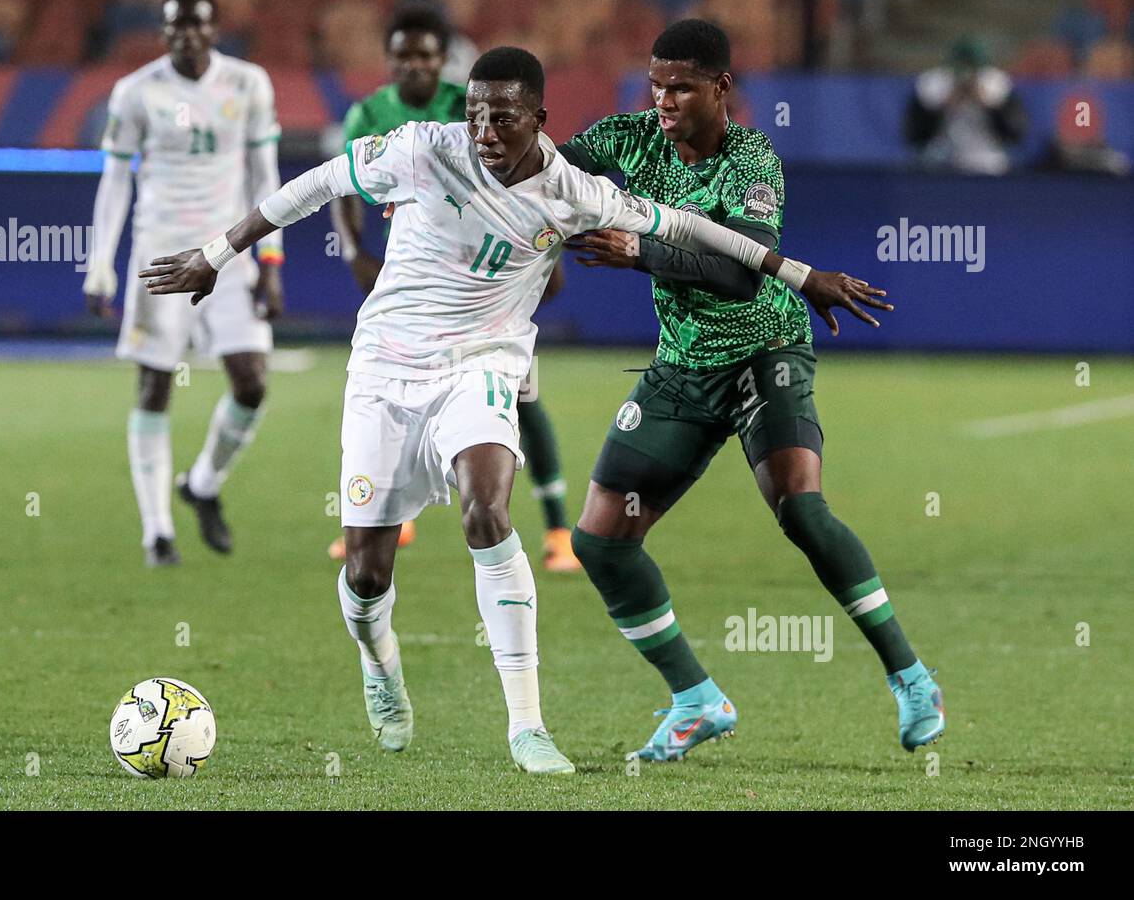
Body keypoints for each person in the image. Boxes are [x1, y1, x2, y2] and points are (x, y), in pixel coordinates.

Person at [139, 46, 862, 772]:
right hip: (387, 368)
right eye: (477, 114)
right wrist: (216, 253)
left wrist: (800, 275)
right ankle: (379, 661)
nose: (485, 131)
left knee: (486, 511)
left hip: (482, 366)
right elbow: (317, 184)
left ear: (539, 120)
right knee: (366, 573)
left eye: (504, 117)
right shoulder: (423, 149)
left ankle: (527, 726)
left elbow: (689, 227)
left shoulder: (575, 191)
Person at [559, 18, 943, 762]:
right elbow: (550, 169)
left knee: (799, 508)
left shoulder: (752, 161)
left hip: (764, 349)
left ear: (721, 87)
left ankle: (911, 675)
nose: (664, 98)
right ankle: (696, 698)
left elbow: (740, 272)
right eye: (657, 83)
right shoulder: (629, 136)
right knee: (600, 541)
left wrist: (639, 251)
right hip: (682, 364)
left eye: (681, 86)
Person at [330, 4, 581, 572]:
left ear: (444, 61)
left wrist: (547, 255)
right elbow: (345, 186)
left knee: (524, 397)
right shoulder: (367, 113)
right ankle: (387, 515)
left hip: (493, 284)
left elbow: (533, 174)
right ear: (390, 60)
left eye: (425, 55)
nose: (414, 65)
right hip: (421, 278)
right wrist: (354, 250)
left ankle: (559, 528)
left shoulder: (467, 106)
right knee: (389, 382)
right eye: (403, 56)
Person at [82, 0, 284, 566]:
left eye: (197, 26)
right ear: (163, 32)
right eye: (174, 27)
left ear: (215, 30)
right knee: (154, 385)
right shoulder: (136, 92)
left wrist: (272, 261)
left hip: (230, 250)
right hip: (160, 253)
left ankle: (201, 484)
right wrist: (100, 264)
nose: (186, 36)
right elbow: (115, 179)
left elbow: (265, 175)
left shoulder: (248, 83)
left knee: (252, 382)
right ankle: (157, 532)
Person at [905, 35, 1026, 175]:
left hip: (986, 158)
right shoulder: (933, 84)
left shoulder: (996, 85)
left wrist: (991, 107)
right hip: (942, 158)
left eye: (972, 70)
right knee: (930, 160)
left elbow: (1014, 135)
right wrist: (941, 108)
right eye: (961, 69)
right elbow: (914, 136)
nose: (966, 76)